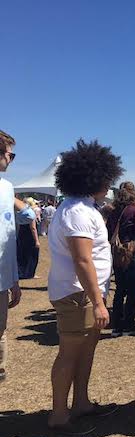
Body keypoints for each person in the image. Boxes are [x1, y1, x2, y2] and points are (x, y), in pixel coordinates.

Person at [47, 139, 122, 434]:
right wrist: (99, 302)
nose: (109, 183)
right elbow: (82, 259)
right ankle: (58, 414)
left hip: (86, 293)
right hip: (77, 294)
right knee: (70, 352)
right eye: (106, 178)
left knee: (86, 350)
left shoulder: (82, 207)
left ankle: (80, 403)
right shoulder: (77, 211)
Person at [0, 130, 35, 384]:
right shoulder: (5, 188)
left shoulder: (6, 188)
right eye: (10, 155)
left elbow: (15, 228)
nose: (11, 160)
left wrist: (13, 278)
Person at [106, 184, 135, 336]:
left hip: (117, 252)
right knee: (132, 289)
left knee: (120, 289)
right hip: (132, 251)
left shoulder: (114, 211)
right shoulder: (134, 210)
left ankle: (116, 323)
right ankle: (128, 323)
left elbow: (108, 231)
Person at [17, 197, 41, 279]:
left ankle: (21, 272)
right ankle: (30, 274)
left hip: (21, 234)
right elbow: (33, 228)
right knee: (32, 255)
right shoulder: (30, 213)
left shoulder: (19, 213)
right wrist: (37, 241)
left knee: (22, 254)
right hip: (29, 235)